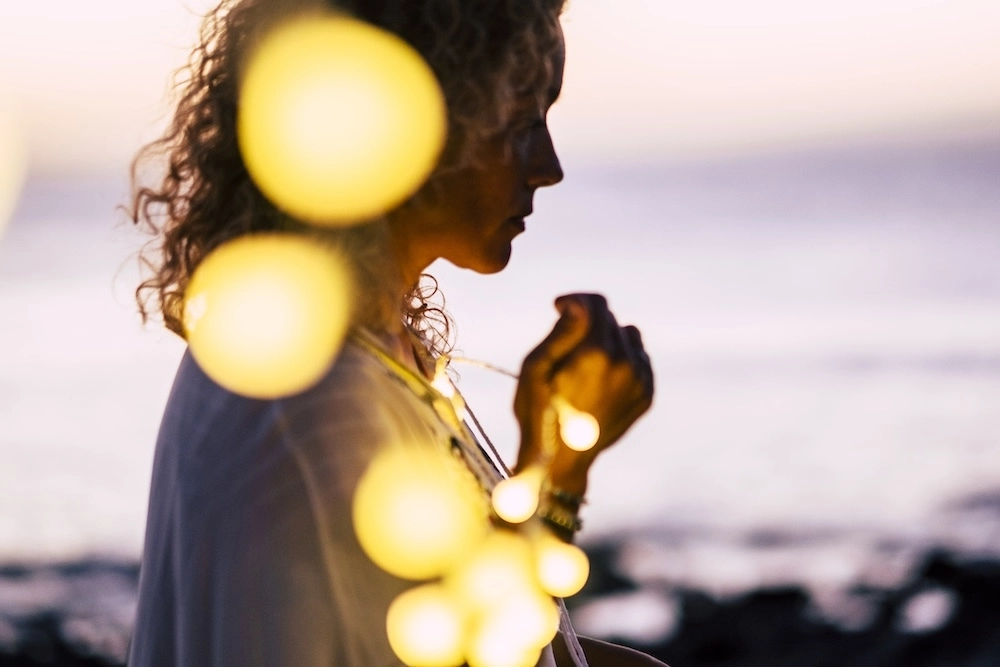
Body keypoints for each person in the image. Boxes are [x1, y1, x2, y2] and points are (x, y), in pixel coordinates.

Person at [127, 0, 661, 665]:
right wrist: (556, 473)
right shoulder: (313, 405)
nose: (548, 165)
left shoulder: (360, 353)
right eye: (521, 123)